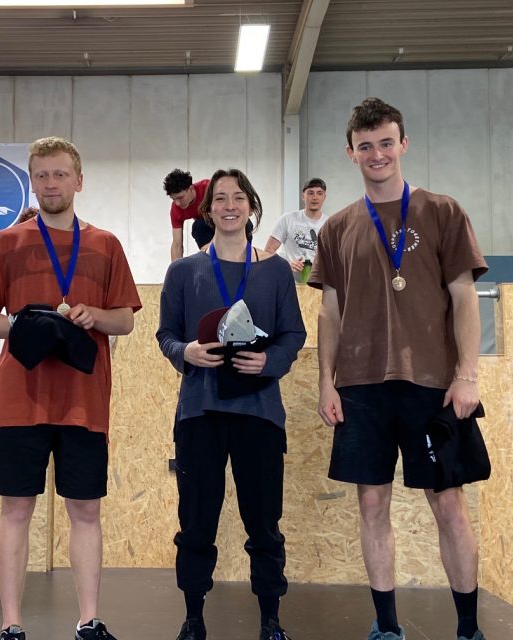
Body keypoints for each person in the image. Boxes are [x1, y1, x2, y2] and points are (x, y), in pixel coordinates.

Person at [311, 98, 488, 640]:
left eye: (386, 143)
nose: (377, 154)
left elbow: (465, 298)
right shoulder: (338, 227)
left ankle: (467, 628)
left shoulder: (442, 211)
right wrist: (325, 382)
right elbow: (330, 312)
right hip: (362, 386)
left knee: (449, 504)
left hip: (433, 385)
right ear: (351, 154)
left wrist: (468, 376)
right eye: (365, 146)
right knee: (371, 503)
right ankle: (387, 626)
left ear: (403, 144)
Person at [0, 136, 141, 640]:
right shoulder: (6, 241)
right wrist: (24, 325)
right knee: (16, 508)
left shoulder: (105, 244)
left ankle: (89, 620)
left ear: (79, 181)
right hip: (20, 397)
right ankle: (11, 625)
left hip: (83, 401)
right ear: (32, 181)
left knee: (85, 510)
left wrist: (94, 317)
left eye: (60, 174)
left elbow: (126, 322)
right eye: (42, 175)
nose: (51, 183)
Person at [157, 168, 306, 640]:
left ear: (251, 207)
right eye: (220, 198)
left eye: (238, 197)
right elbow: (166, 334)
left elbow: (293, 335)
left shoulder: (276, 271)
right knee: (196, 521)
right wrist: (187, 353)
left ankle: (271, 618)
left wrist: (269, 361)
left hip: (259, 413)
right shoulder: (183, 271)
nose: (229, 205)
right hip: (199, 411)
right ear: (207, 210)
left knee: (264, 521)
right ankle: (193, 617)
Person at [264, 177, 329, 283]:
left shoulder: (330, 224)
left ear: (324, 197)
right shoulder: (288, 219)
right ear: (303, 196)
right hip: (290, 283)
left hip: (319, 285)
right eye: (310, 193)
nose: (315, 197)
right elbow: (268, 251)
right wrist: (287, 264)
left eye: (319, 193)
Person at [167, 169, 213, 262]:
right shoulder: (176, 209)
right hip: (207, 229)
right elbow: (177, 244)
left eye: (180, 197)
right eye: (173, 199)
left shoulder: (208, 188)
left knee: (246, 224)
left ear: (191, 189)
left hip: (228, 224)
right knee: (198, 226)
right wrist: (175, 271)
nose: (178, 203)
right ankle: (209, 258)